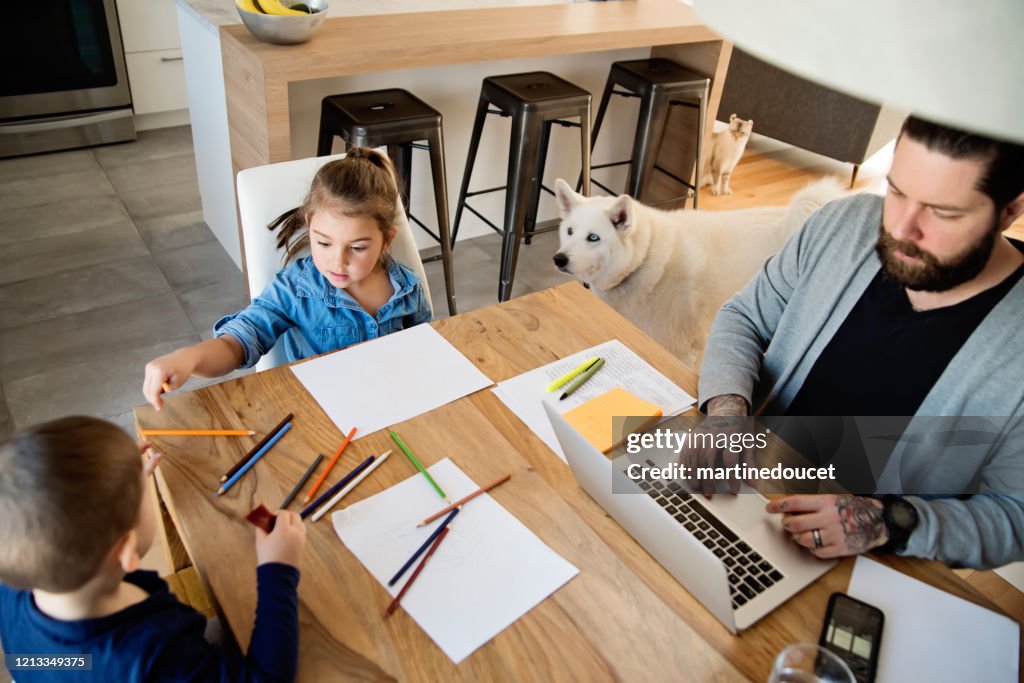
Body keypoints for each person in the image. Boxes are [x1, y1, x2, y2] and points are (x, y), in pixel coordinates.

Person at [695, 115, 1024, 569]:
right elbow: (744, 317)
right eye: (897, 191)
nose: (902, 228)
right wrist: (727, 411)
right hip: (747, 489)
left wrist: (888, 521)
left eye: (943, 211)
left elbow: (1014, 517)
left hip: (872, 563)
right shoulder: (843, 226)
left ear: (1010, 210)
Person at [0, 416, 306, 681]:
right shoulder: (157, 656)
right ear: (127, 550)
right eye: (143, 494)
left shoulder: (17, 584)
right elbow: (266, 678)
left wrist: (118, 486)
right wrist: (278, 569)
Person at [142, 148, 433, 410]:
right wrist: (189, 358)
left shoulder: (407, 288)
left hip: (392, 406)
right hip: (319, 415)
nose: (338, 260)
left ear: (386, 241)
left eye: (357, 248)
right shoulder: (295, 289)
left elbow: (424, 351)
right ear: (310, 227)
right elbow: (239, 341)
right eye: (323, 243)